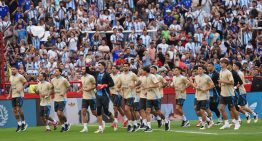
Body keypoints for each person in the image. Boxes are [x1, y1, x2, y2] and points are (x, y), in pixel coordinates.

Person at [117, 62, 141, 132]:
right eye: (124, 66)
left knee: (127, 109)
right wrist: (118, 88)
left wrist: (134, 86)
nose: (125, 67)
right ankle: (134, 124)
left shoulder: (132, 74)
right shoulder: (120, 75)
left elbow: (139, 82)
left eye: (126, 66)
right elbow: (118, 85)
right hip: (125, 95)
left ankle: (130, 124)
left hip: (132, 94)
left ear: (129, 67)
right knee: (130, 110)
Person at [93, 61, 115, 133]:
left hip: (105, 95)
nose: (98, 66)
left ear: (103, 66)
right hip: (98, 95)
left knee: (106, 111)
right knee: (98, 111)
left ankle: (114, 122)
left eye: (99, 65)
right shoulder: (96, 73)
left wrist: (105, 85)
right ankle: (100, 127)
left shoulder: (107, 75)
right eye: (98, 65)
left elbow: (112, 84)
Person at [218, 58, 240, 130]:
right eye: (220, 62)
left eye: (222, 63)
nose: (221, 63)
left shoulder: (228, 72)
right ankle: (226, 123)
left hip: (230, 94)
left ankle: (237, 123)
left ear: (226, 64)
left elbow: (232, 82)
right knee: (221, 108)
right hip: (223, 94)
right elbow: (221, 81)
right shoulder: (221, 71)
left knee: (233, 109)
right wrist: (220, 83)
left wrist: (222, 81)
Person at [191, 65, 215, 129]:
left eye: (200, 69)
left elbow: (212, 85)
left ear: (204, 70)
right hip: (198, 96)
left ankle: (203, 125)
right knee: (197, 111)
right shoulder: (196, 77)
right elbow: (195, 85)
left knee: (202, 111)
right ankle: (209, 121)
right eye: (198, 69)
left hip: (205, 96)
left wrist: (206, 89)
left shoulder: (207, 77)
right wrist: (192, 84)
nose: (199, 70)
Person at [8, 66, 28, 132]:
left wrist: (21, 88)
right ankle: (19, 124)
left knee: (18, 109)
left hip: (19, 95)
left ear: (17, 70)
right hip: (13, 95)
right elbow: (11, 86)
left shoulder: (20, 76)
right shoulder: (11, 77)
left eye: (14, 69)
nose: (12, 70)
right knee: (14, 110)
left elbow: (26, 83)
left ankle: (24, 123)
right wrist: (9, 94)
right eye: (12, 69)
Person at [51, 68, 71, 132]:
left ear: (60, 72)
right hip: (56, 98)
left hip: (62, 98)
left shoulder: (64, 80)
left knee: (60, 113)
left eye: (57, 71)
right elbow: (52, 88)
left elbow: (69, 86)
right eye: (55, 71)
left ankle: (67, 123)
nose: (55, 72)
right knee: (58, 114)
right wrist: (49, 94)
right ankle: (63, 126)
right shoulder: (52, 80)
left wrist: (64, 92)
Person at [150, 65, 170, 130]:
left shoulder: (159, 77)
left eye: (152, 69)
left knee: (157, 110)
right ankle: (159, 119)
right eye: (150, 69)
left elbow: (166, 83)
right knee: (150, 110)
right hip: (150, 95)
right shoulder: (149, 76)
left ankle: (165, 120)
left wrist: (161, 87)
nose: (151, 70)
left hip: (158, 95)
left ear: (156, 70)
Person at [78, 67, 97, 133]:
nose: (82, 70)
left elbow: (95, 85)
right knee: (83, 112)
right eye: (82, 69)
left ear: (86, 70)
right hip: (85, 97)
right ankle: (85, 127)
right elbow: (83, 86)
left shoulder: (91, 77)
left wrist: (89, 89)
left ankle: (101, 120)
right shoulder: (82, 77)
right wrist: (80, 90)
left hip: (91, 97)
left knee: (94, 112)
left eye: (83, 69)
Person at [110, 65, 128, 131]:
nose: (112, 69)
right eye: (112, 68)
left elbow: (123, 84)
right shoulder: (110, 75)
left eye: (114, 68)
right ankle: (125, 119)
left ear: (117, 70)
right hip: (111, 93)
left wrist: (119, 89)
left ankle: (115, 122)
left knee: (115, 107)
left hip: (118, 94)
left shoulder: (120, 76)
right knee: (118, 107)